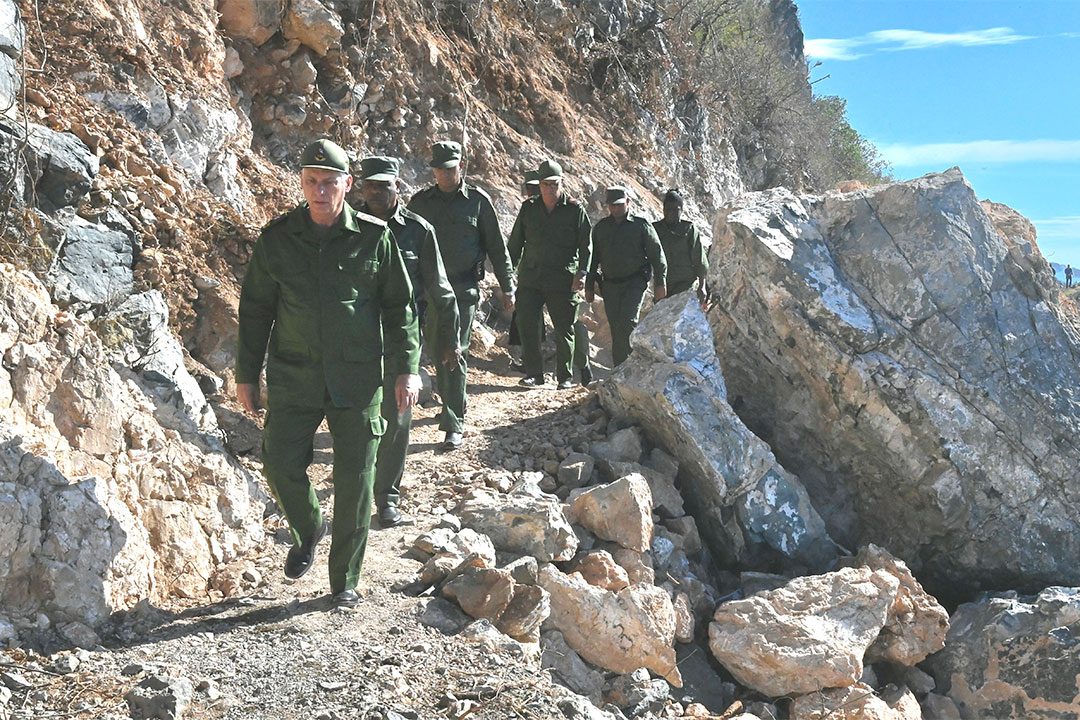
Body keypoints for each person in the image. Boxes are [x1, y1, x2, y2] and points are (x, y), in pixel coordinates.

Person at [235, 139, 421, 608]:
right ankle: (308, 526)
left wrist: (407, 370)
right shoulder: (277, 239)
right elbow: (256, 310)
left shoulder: (376, 239)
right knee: (277, 464)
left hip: (359, 381)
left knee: (356, 480)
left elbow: (401, 309)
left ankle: (345, 582)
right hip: (293, 376)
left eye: (329, 182)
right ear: (302, 184)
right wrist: (245, 375)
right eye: (311, 182)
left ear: (347, 186)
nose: (319, 191)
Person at [356, 155, 460, 528]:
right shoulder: (346, 224)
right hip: (353, 336)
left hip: (402, 335)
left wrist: (449, 340)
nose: (376, 192)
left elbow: (441, 291)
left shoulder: (419, 230)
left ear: (398, 186)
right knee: (354, 420)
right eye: (369, 185)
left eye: (384, 185)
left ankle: (387, 500)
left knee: (398, 417)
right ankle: (356, 497)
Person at [407, 141, 515, 451]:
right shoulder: (421, 203)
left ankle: (453, 422)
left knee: (456, 350)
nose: (444, 173)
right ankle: (456, 401)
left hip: (464, 289)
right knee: (438, 348)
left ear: (461, 167)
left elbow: (496, 246)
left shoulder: (477, 202)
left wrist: (507, 285)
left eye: (450, 168)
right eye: (439, 169)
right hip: (430, 292)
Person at [508, 158, 592, 389]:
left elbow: (586, 245)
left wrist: (582, 272)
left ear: (562, 182)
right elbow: (515, 243)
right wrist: (507, 275)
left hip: (563, 279)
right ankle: (535, 374)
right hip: (531, 278)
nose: (549, 189)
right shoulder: (529, 208)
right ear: (539, 184)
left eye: (554, 184)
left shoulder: (575, 211)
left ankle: (564, 378)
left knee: (564, 328)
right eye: (545, 184)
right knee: (528, 325)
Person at [586, 186, 667, 367]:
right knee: (616, 327)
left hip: (635, 282)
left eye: (619, 205)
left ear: (628, 202)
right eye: (612, 205)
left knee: (628, 322)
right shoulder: (601, 229)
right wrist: (589, 286)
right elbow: (592, 259)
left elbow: (657, 255)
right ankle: (620, 369)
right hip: (610, 285)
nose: (615, 209)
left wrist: (660, 284)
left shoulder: (640, 226)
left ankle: (631, 366)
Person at [653, 189, 708, 305]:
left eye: (675, 210)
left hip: (685, 286)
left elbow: (700, 260)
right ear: (663, 210)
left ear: (681, 210)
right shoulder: (655, 230)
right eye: (668, 209)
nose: (671, 213)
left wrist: (702, 286)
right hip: (663, 287)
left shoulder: (689, 229)